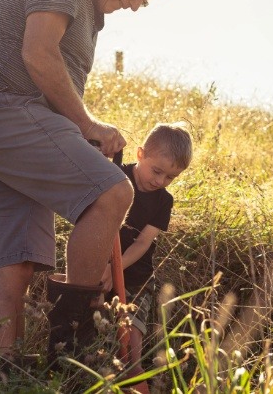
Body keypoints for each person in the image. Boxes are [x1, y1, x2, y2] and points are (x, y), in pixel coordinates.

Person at [0, 0, 177, 364]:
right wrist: (87, 126)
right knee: (113, 192)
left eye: (146, 2)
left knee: (20, 261)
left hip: (7, 130)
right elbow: (37, 52)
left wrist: (77, 132)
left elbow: (57, 87)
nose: (139, 6)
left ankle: (3, 372)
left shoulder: (94, 16)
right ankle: (71, 353)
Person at [100, 122, 193, 379]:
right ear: (141, 154)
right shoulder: (116, 176)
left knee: (132, 330)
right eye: (156, 171)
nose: (160, 181)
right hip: (99, 263)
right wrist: (105, 268)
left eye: (170, 177)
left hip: (137, 275)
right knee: (94, 319)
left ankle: (133, 372)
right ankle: (95, 371)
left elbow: (143, 243)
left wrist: (115, 268)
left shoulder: (164, 200)